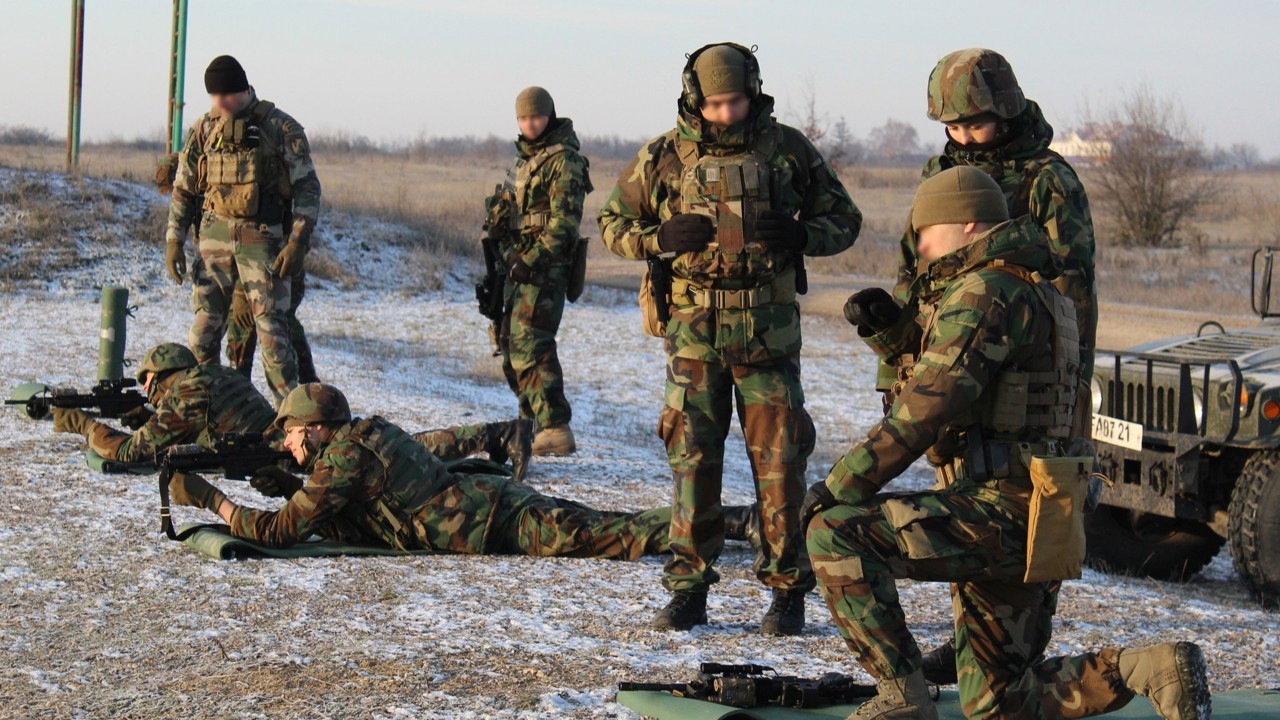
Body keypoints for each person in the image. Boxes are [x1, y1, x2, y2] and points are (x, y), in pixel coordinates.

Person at [805, 167, 1209, 720]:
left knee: (834, 534)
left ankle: (902, 698)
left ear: (968, 222)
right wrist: (895, 335)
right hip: (1044, 518)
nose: (919, 244)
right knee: (997, 700)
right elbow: (985, 386)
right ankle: (1148, 668)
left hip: (1001, 511)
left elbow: (926, 408)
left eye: (927, 228)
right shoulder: (1037, 291)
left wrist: (835, 486)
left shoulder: (985, 290)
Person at [598, 42, 861, 634]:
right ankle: (689, 587)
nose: (725, 113)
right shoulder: (663, 155)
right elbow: (613, 223)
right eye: (714, 103)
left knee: (779, 464)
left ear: (754, 92)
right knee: (692, 462)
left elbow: (845, 220)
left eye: (735, 101)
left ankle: (788, 591)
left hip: (767, 334)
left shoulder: (788, 150)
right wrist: (659, 238)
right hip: (694, 337)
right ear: (695, 97)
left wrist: (799, 234)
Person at [863, 47, 1098, 687]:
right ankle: (974, 641)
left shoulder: (1049, 180)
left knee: (1025, 517)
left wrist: (1064, 395)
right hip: (949, 359)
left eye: (974, 124)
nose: (962, 138)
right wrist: (898, 366)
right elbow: (919, 272)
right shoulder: (941, 171)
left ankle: (1005, 654)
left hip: (1026, 366)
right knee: (960, 491)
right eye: (951, 126)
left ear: (1007, 109)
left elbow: (1071, 293)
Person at [166, 383, 755, 559]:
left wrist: (210, 502)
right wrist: (293, 484)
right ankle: (725, 521)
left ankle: (730, 521)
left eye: (293, 437)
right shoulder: (359, 435)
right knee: (605, 524)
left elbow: (280, 533)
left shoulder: (344, 457)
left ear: (316, 428)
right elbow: (352, 505)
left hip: (489, 520)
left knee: (608, 534)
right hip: (482, 500)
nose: (290, 447)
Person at [50, 343, 533, 481]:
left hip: (280, 445)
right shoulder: (212, 374)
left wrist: (84, 424)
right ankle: (494, 437)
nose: (148, 392)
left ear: (162, 376)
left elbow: (133, 454)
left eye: (148, 383)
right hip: (280, 434)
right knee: (394, 447)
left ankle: (498, 435)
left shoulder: (187, 391)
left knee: (395, 452)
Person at [164, 54, 322, 405]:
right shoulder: (204, 129)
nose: (219, 103)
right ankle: (208, 411)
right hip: (213, 246)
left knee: (273, 338)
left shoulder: (281, 128)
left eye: (226, 95)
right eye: (214, 97)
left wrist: (297, 242)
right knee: (202, 336)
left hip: (263, 242)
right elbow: (184, 188)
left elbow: (308, 189)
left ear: (242, 89)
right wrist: (174, 240)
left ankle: (294, 421)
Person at [483, 86, 591, 456]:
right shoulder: (523, 160)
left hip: (545, 270)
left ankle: (556, 427)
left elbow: (564, 224)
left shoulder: (565, 161)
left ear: (550, 115)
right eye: (523, 118)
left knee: (533, 345)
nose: (530, 124)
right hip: (516, 266)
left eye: (536, 117)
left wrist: (530, 260)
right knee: (510, 346)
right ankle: (529, 426)